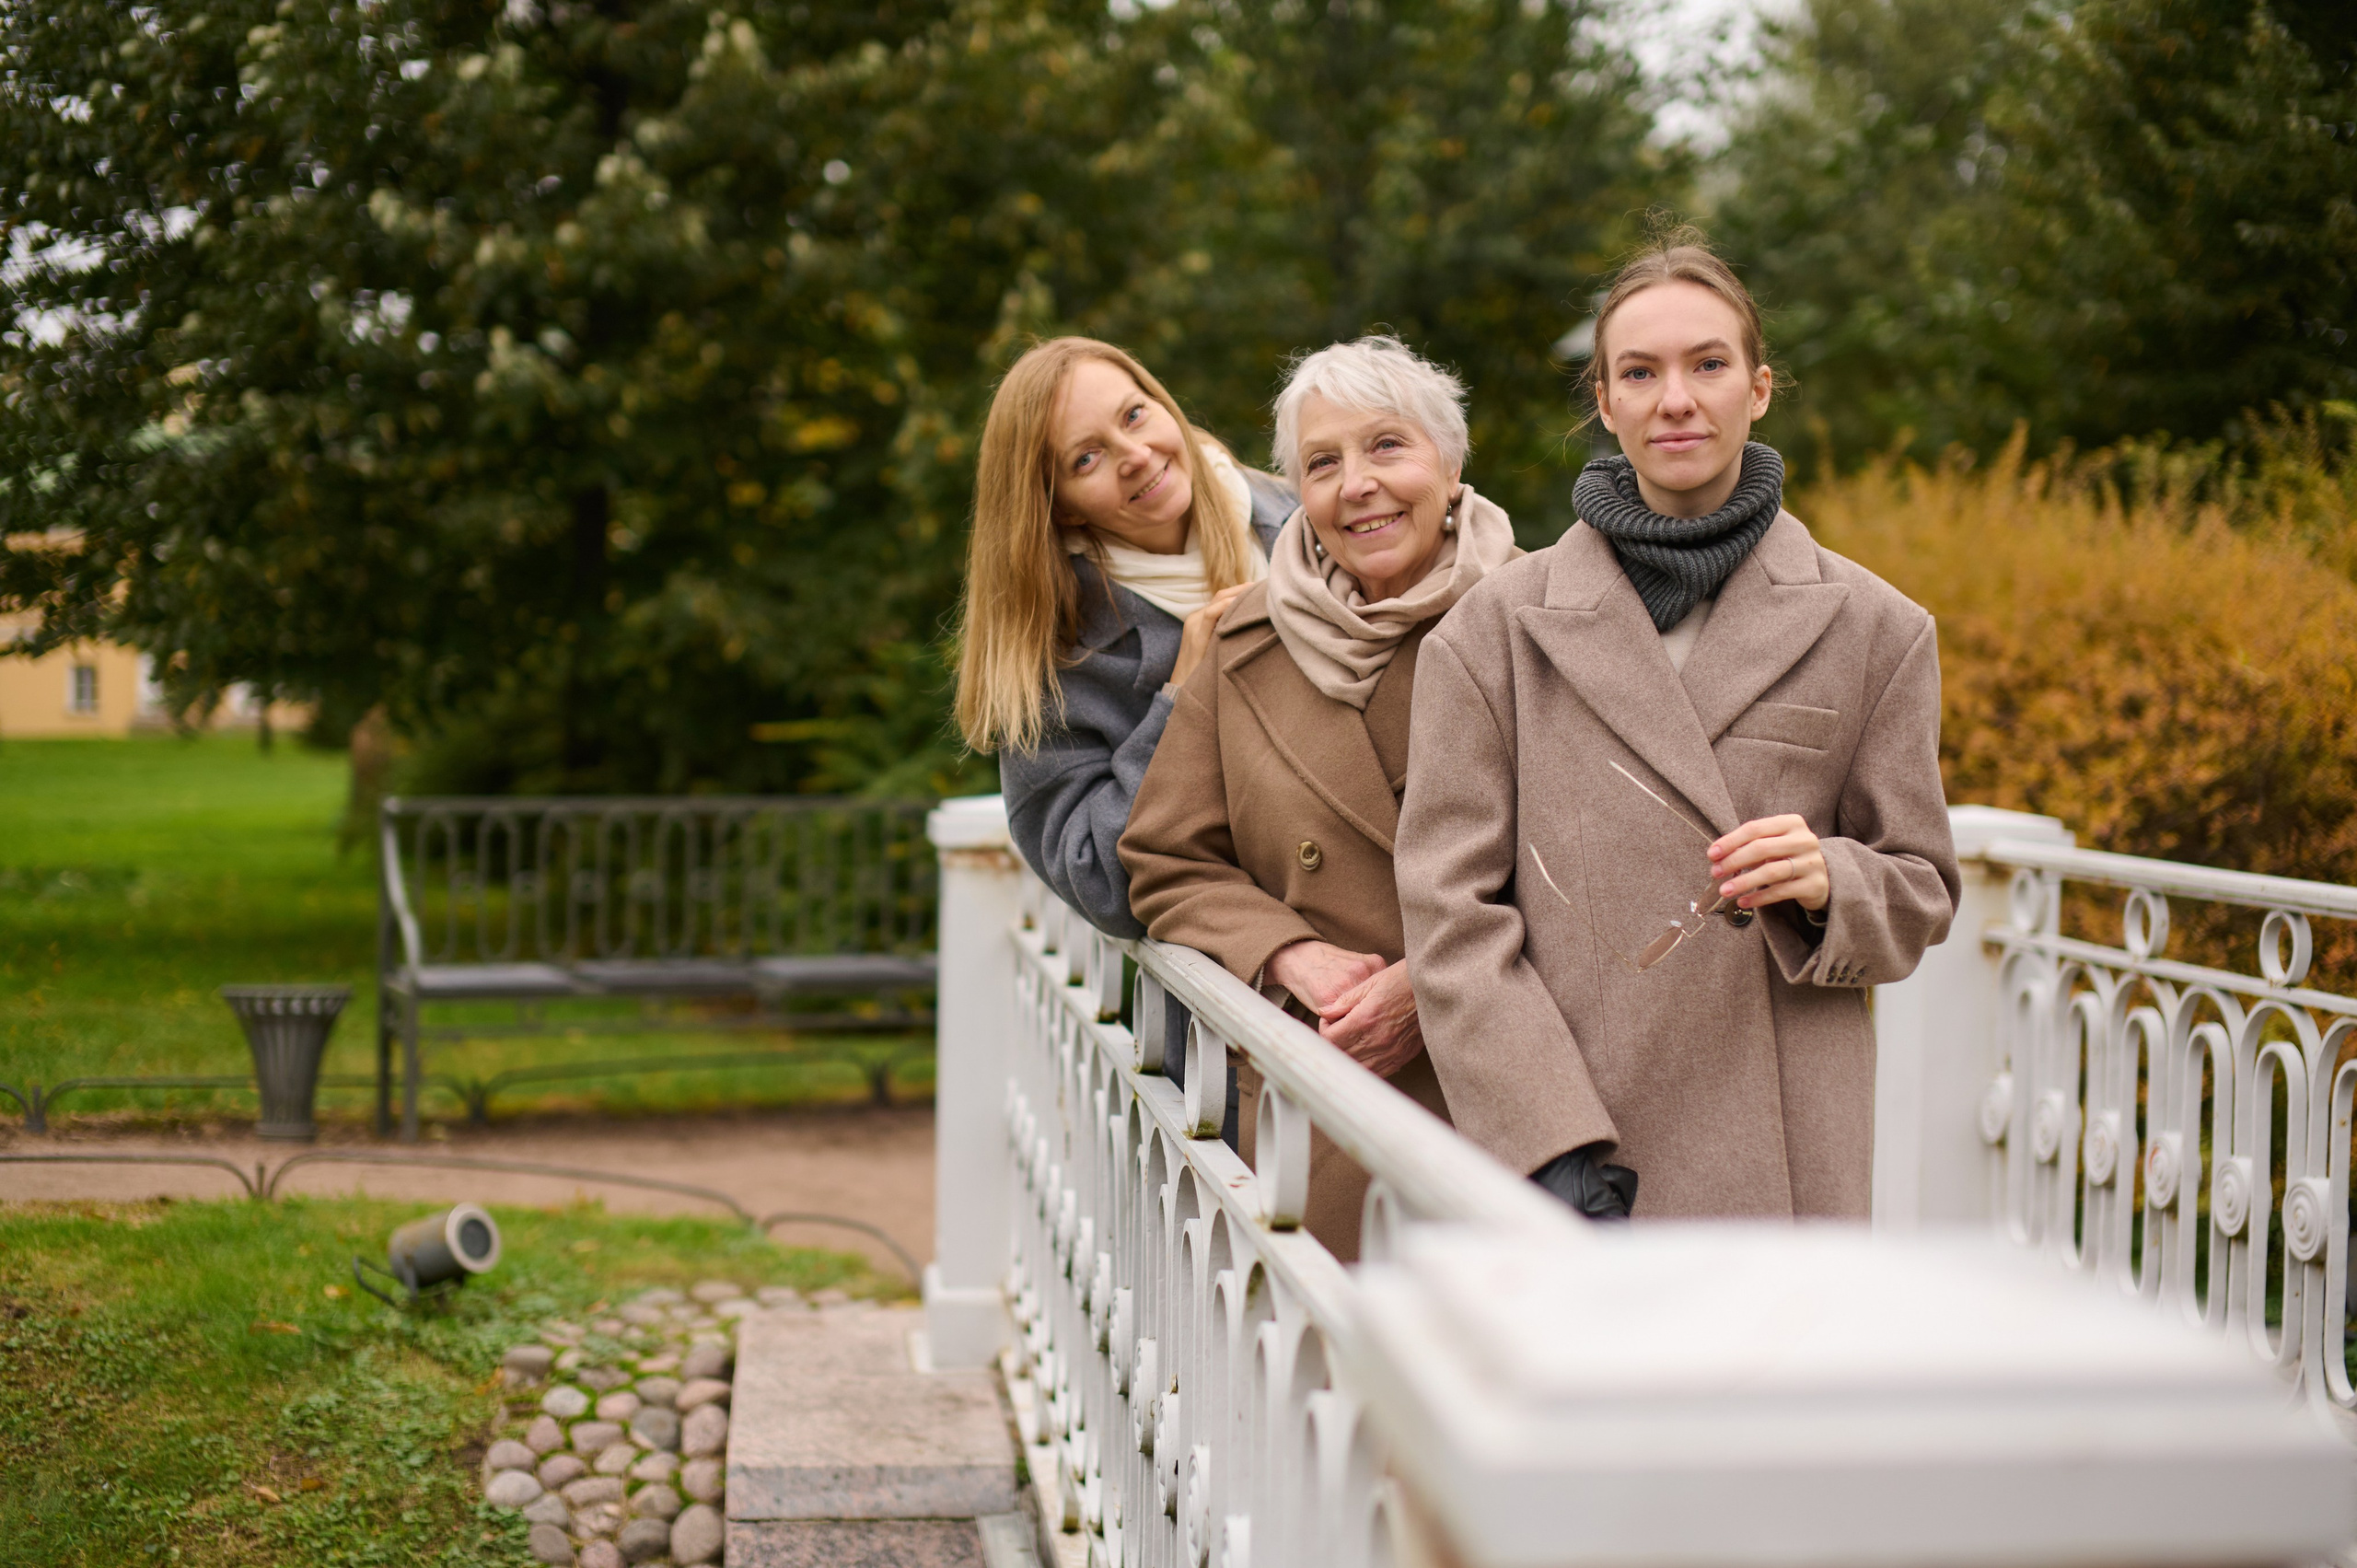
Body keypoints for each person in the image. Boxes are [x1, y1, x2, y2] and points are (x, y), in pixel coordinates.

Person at [1396, 234, 1960, 1222]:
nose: (1676, 399)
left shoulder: (1879, 629)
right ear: (1605, 403)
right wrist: (1552, 1144)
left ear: (1759, 387)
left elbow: (1920, 888)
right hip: (1578, 1154)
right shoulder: (1489, 633)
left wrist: (1834, 878)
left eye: (1708, 364)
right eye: (1640, 372)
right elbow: (1450, 916)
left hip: (1784, 1155)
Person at [1120, 336, 1518, 1259]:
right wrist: (1286, 950)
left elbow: (1595, 862)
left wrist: (1426, 984)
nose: (1357, 484)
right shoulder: (1246, 636)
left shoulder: (1545, 621)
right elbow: (1166, 854)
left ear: (1450, 465)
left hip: (1502, 1088)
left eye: (1387, 446)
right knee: (1322, 1387)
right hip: (1323, 1099)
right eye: (1322, 464)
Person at [956, 338, 1295, 937]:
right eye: (1087, 458)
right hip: (1238, 1000)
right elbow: (1099, 882)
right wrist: (1181, 698)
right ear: (1060, 508)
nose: (1136, 455)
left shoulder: (1306, 517)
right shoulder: (1053, 658)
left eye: (1134, 414)